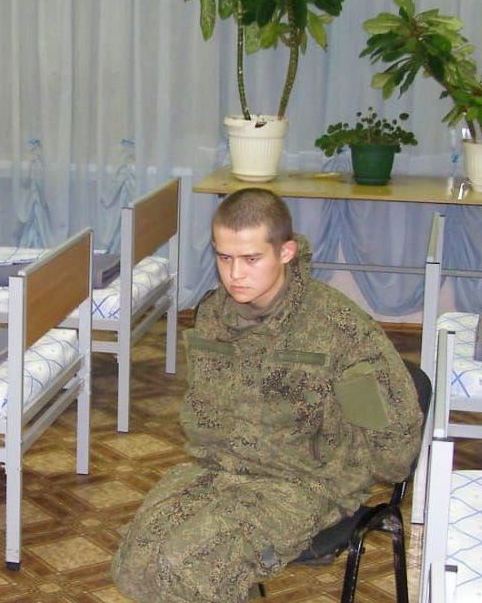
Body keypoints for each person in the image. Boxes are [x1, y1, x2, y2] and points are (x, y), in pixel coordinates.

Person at [111, 187, 422, 603]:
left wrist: (343, 465)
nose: (235, 274)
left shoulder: (338, 328)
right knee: (135, 565)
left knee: (192, 566)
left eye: (251, 259)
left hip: (304, 484)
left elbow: (394, 450)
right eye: (224, 258)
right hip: (219, 469)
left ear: (286, 252)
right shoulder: (214, 315)